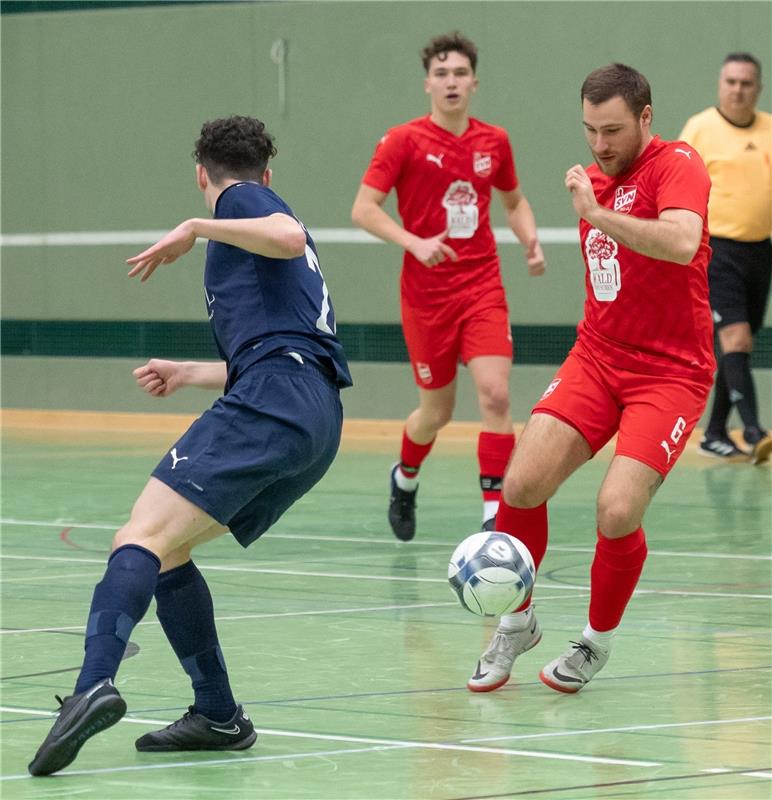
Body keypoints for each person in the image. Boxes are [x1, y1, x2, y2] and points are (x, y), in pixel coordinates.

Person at [28, 116, 352, 776]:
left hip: (277, 398)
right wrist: (190, 373)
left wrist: (197, 225)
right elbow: (282, 341)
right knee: (168, 553)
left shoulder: (242, 204)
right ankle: (219, 715)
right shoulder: (258, 227)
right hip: (311, 410)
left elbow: (287, 236)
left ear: (201, 174)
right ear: (271, 167)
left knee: (138, 537)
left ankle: (94, 683)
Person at [466, 64, 715, 694]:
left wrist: (598, 214)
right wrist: (598, 206)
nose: (600, 144)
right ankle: (516, 624)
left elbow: (683, 243)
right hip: (598, 357)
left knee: (616, 508)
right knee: (520, 484)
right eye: (589, 130)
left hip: (671, 373)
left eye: (613, 130)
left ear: (646, 118)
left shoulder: (678, 163)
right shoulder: (597, 179)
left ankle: (595, 642)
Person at [351, 31, 545, 542]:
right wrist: (412, 242)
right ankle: (405, 477)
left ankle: (493, 516)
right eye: (442, 74)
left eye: (460, 73)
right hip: (426, 295)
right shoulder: (403, 141)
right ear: (427, 84)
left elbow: (514, 200)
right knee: (436, 413)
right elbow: (363, 209)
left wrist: (529, 239)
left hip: (482, 285)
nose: (451, 82)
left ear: (474, 83)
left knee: (496, 395)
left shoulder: (494, 141)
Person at [679, 53, 772, 464]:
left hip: (760, 251)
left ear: (758, 88)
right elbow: (675, 184)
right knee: (736, 339)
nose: (738, 90)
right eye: (731, 82)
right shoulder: (700, 128)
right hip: (716, 250)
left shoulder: (770, 130)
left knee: (737, 349)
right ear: (721, 85)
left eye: (746, 83)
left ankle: (715, 432)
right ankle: (754, 431)